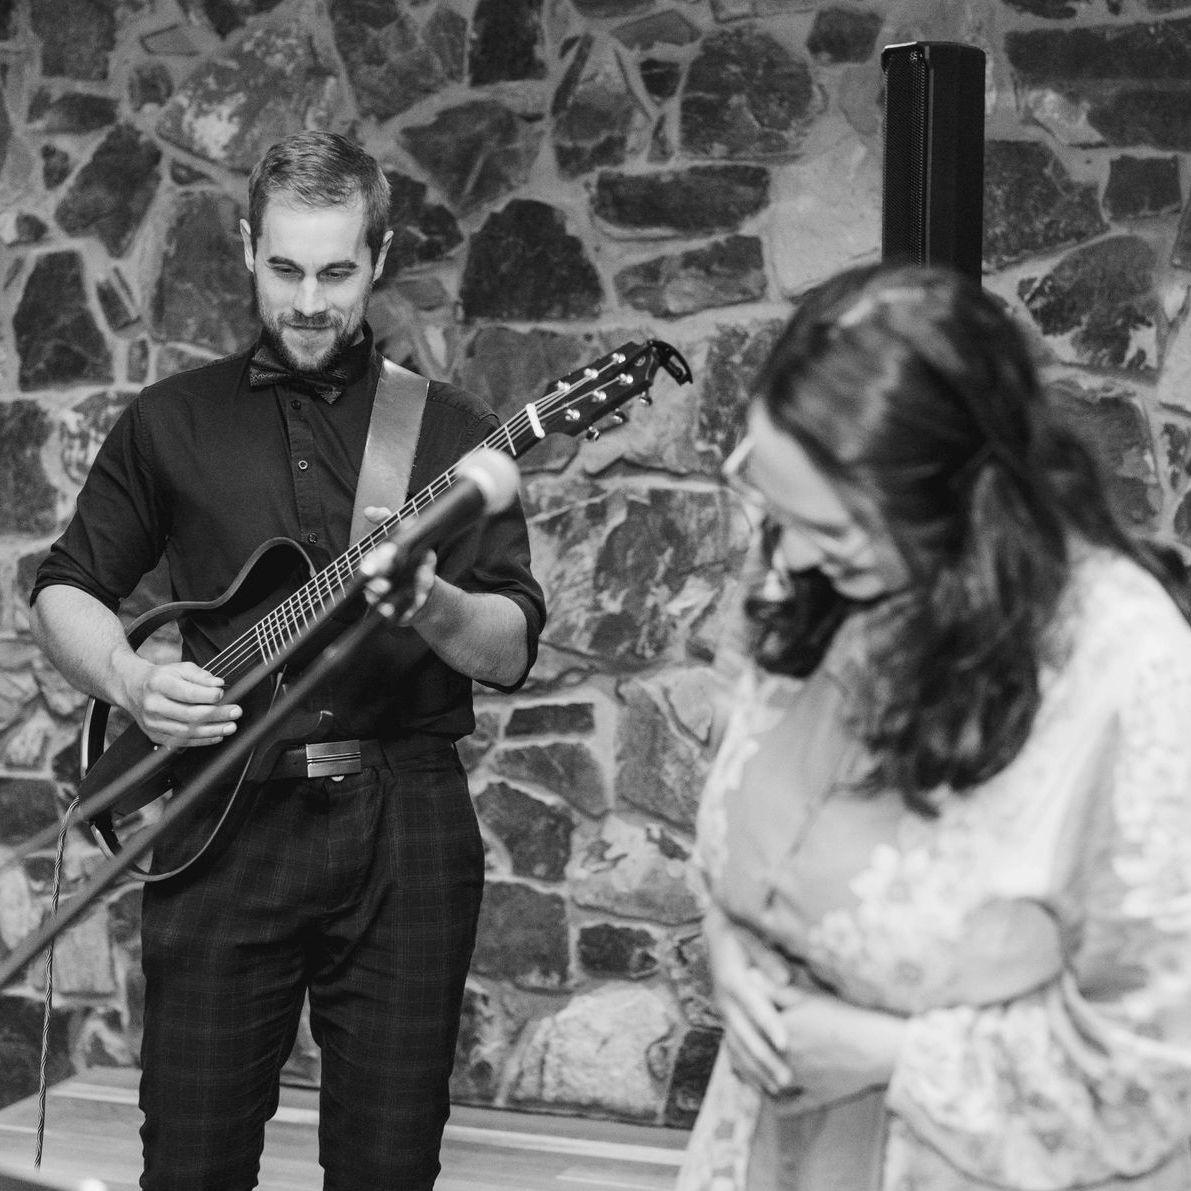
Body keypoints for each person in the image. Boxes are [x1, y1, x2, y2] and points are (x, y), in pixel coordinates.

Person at [28, 130, 546, 1190]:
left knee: (390, 1165)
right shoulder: (171, 423)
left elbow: (509, 649)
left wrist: (436, 603)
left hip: (407, 820)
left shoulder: (451, 431)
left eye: (338, 272)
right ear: (248, 247)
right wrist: (132, 682)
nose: (310, 302)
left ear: (381, 255)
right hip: (228, 815)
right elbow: (64, 592)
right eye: (286, 269)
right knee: (194, 1159)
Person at [679, 262, 1191, 1190]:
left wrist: (893, 1055)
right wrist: (730, 949)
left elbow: (1158, 1065)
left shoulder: (1126, 662)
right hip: (761, 1144)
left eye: (830, 530)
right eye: (778, 514)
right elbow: (743, 842)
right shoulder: (814, 580)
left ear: (959, 502)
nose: (787, 559)